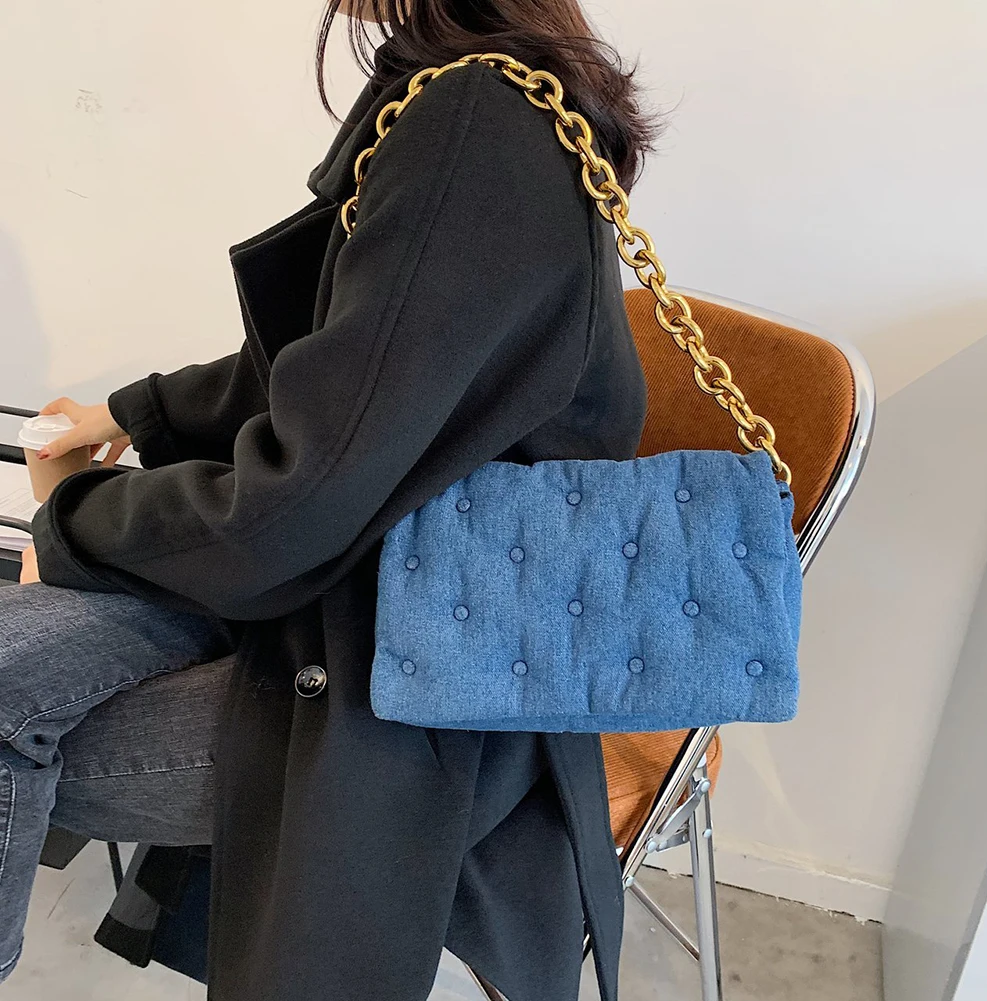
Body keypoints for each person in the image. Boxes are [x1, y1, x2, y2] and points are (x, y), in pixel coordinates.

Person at [0, 1, 655, 997]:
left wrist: (73, 521)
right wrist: (139, 411)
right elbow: (347, 372)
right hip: (365, 588)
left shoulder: (475, 119)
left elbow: (293, 507)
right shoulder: (487, 87)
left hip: (417, 677)